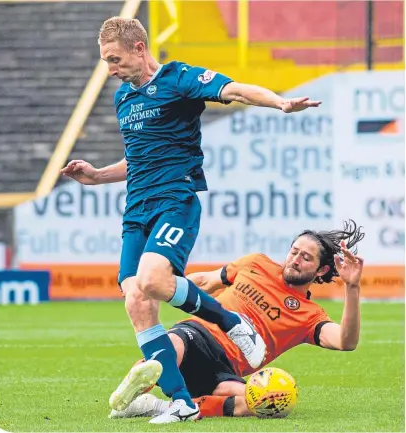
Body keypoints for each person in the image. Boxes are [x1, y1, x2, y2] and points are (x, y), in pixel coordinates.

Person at [60, 17, 322, 424]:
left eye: (114, 59)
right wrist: (97, 176)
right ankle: (182, 402)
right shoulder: (124, 99)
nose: (110, 69)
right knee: (137, 299)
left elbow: (233, 89)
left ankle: (232, 322)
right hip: (137, 210)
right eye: (105, 61)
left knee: (152, 279)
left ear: (138, 48)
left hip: (174, 200)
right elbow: (138, 160)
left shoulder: (179, 78)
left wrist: (279, 101)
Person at [109, 221, 365, 422]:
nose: (295, 260)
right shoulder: (257, 264)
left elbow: (346, 341)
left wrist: (352, 287)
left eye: (306, 258)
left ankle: (159, 406)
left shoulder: (310, 315)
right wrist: (163, 286)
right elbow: (204, 282)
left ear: (321, 270)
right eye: (294, 252)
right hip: (199, 335)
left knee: (267, 402)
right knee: (172, 348)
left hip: (226, 370)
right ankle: (144, 378)